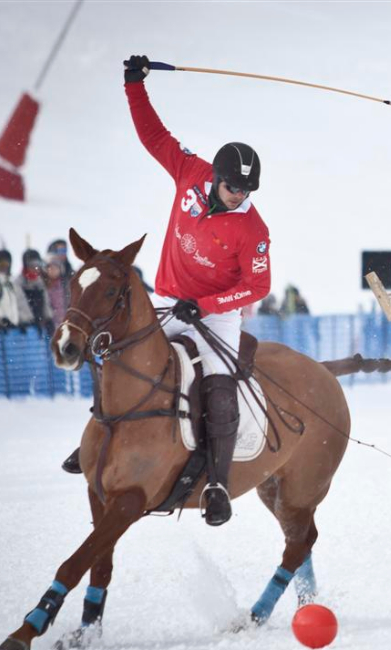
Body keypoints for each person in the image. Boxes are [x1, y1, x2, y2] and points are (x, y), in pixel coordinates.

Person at [71, 54, 272, 528]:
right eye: (234, 189)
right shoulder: (191, 173)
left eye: (247, 192)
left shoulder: (254, 229)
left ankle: (218, 483)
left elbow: (258, 284)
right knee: (117, 353)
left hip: (215, 314)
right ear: (218, 178)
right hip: (165, 299)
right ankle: (95, 441)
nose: (239, 197)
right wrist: (134, 86)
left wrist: (206, 304)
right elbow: (153, 137)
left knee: (219, 386)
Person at [16, 248, 53, 333]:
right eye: (32, 265)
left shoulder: (39, 282)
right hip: (26, 326)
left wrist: (48, 318)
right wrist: (29, 320)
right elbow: (21, 302)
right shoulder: (19, 282)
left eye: (37, 264)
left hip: (39, 324)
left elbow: (45, 302)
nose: (35, 268)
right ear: (26, 265)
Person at [0, 249, 21, 328]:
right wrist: (2, 318)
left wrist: (18, 321)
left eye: (6, 264)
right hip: (3, 327)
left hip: (13, 327)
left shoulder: (10, 282)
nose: (4, 267)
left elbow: (15, 304)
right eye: (1, 264)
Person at [44, 254, 69, 327]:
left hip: (64, 321)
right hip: (49, 324)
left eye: (55, 268)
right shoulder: (43, 286)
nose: (52, 270)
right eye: (50, 268)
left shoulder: (65, 286)